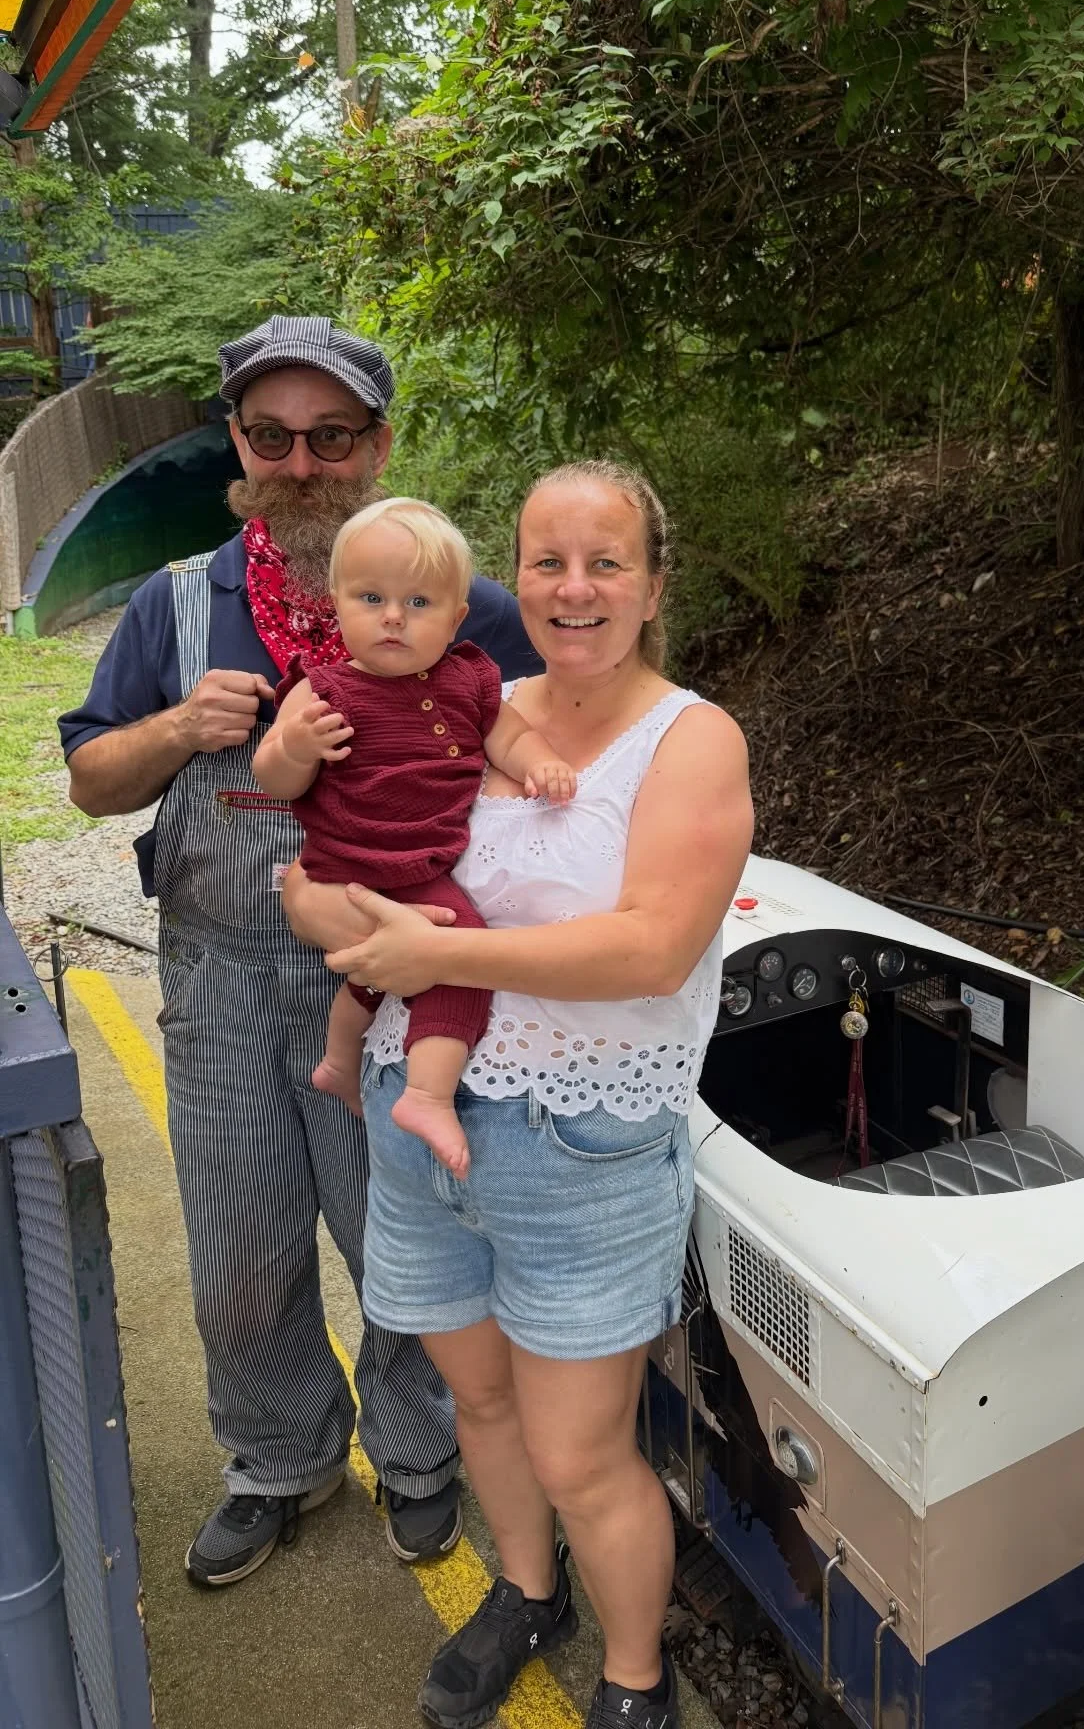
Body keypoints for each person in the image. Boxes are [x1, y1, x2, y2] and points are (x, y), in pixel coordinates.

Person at [58, 316, 541, 1589]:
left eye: (332, 437)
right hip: (221, 985)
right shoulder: (176, 602)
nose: (302, 462)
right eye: (272, 435)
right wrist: (176, 725)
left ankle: (421, 1452)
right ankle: (280, 1457)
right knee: (238, 1251)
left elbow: (562, 770)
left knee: (408, 1240)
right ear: (238, 446)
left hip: (397, 978)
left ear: (377, 447)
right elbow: (90, 782)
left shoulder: (467, 605)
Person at [282, 460, 753, 1729]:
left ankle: (635, 1676)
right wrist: (323, 908)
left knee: (582, 1452)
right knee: (476, 1400)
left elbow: (651, 948)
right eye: (547, 560)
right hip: (417, 1118)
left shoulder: (691, 740)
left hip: (582, 1145)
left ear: (654, 585)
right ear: (513, 575)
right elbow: (327, 871)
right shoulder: (466, 697)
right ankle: (529, 1594)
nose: (573, 587)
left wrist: (434, 953)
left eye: (605, 562)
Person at [253, 495, 576, 1177]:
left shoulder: (469, 680)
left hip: (421, 864)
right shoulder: (321, 690)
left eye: (419, 603)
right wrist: (298, 746)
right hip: (352, 862)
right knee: (459, 957)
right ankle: (428, 1095)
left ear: (457, 617)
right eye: (371, 597)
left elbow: (508, 734)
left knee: (379, 978)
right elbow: (273, 779)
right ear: (337, 603)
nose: (394, 617)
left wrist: (537, 761)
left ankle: (340, 1062)